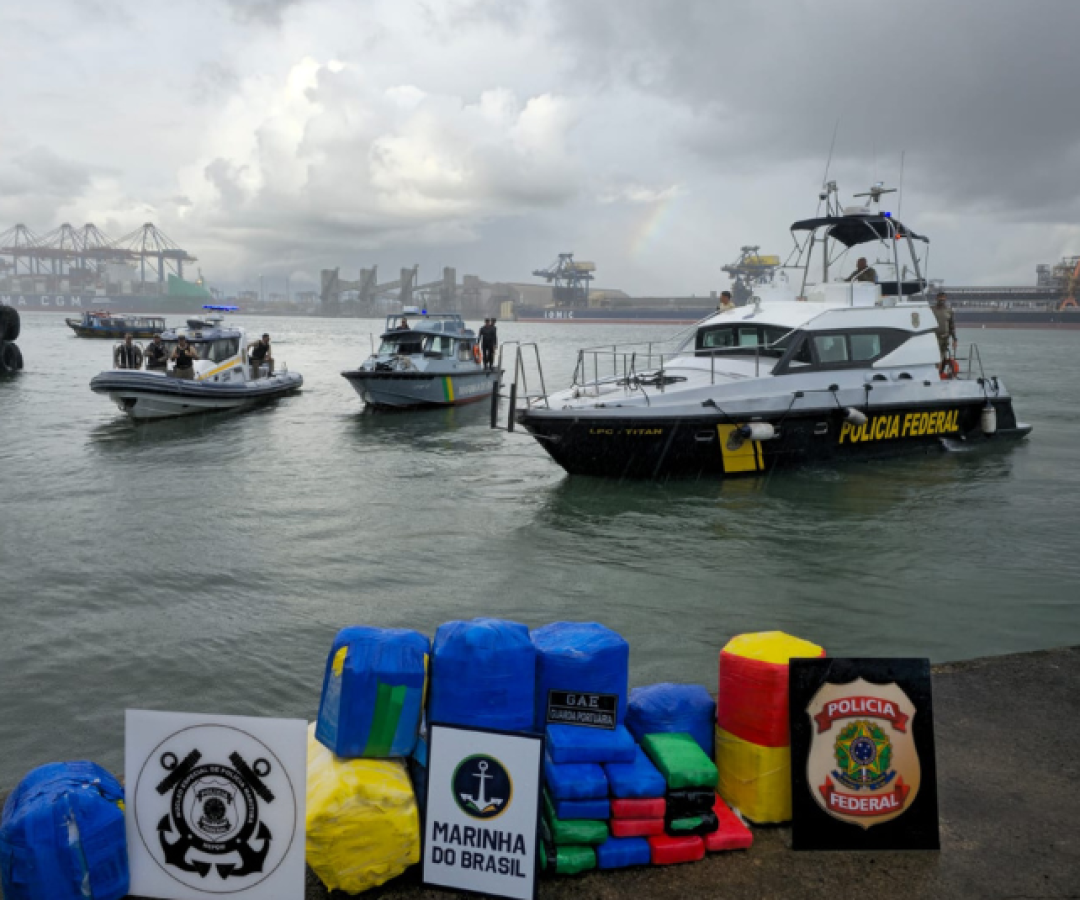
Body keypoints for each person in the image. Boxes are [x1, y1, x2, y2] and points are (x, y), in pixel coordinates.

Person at [932, 291, 958, 362]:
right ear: (936, 298)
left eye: (943, 298)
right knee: (936, 358)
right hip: (934, 339)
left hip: (945, 338)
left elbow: (952, 326)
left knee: (942, 357)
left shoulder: (949, 311)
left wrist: (955, 340)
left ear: (945, 299)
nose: (941, 300)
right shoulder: (931, 310)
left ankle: (940, 367)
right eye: (940, 298)